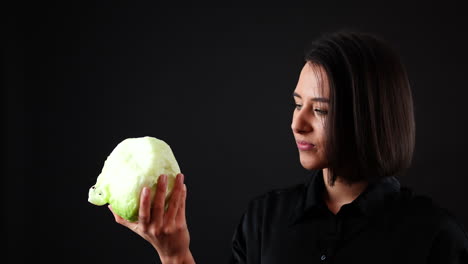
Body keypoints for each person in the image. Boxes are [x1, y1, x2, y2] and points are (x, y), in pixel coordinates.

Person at [109, 30, 468, 264]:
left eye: (321, 109)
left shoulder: (434, 237)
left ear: (370, 117)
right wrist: (175, 253)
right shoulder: (264, 219)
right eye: (298, 103)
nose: (298, 123)